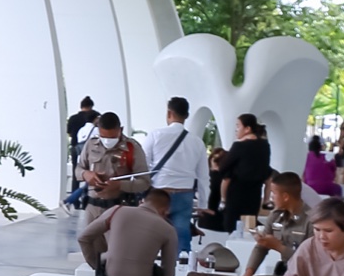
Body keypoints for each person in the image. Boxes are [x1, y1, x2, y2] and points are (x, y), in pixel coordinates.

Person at [78, 189, 181, 276]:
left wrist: (97, 267)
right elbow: (168, 275)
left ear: (142, 202)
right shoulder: (168, 229)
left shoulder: (116, 211)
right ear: (165, 210)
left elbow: (83, 238)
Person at [146, 97, 203, 255]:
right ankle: (182, 264)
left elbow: (144, 165)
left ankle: (150, 263)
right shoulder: (197, 142)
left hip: (159, 192)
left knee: (152, 232)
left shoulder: (155, 135)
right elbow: (203, 176)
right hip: (185, 193)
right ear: (187, 115)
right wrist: (203, 203)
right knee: (181, 234)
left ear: (169, 113)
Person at [76, 112, 151, 221]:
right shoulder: (91, 144)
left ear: (121, 130)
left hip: (119, 209)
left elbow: (145, 183)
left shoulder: (132, 148)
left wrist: (120, 185)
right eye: (103, 136)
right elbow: (79, 168)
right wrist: (85, 174)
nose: (107, 141)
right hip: (93, 208)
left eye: (112, 137)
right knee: (89, 233)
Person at [213, 113, 272, 233]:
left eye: (238, 126)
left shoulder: (239, 145)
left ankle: (223, 201)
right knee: (249, 227)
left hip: (237, 193)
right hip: (255, 193)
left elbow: (223, 167)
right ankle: (267, 200)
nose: (236, 129)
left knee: (232, 227)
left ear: (247, 129)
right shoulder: (265, 145)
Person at [243, 172, 311, 276]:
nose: (271, 198)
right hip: (283, 272)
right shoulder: (276, 215)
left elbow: (309, 262)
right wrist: (248, 273)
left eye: (273, 193)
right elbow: (262, 246)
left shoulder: (311, 221)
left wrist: (278, 247)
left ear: (285, 197)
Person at [67, 96, 99, 188]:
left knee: (76, 172)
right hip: (92, 150)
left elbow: (69, 132)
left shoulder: (73, 118)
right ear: (91, 106)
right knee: (92, 172)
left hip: (76, 148)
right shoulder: (95, 117)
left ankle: (75, 193)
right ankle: (88, 192)